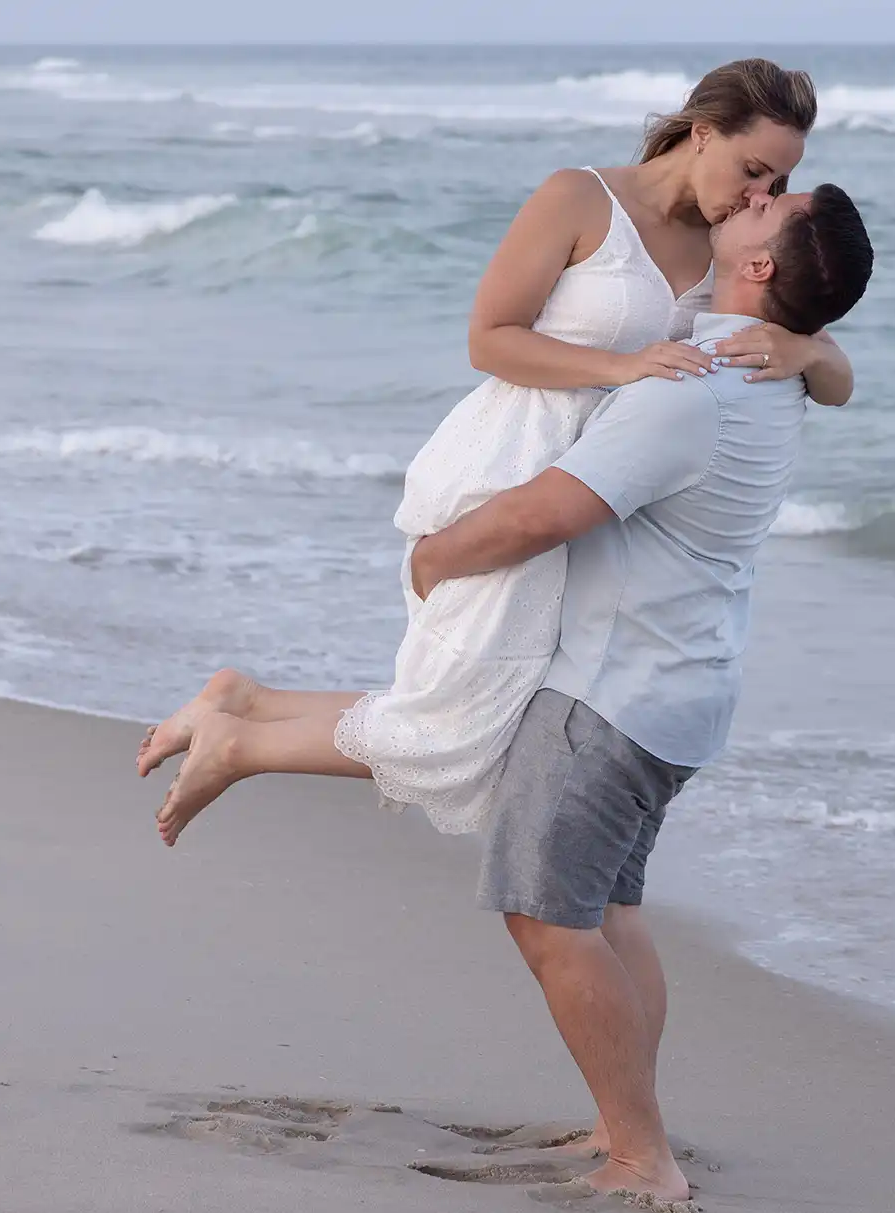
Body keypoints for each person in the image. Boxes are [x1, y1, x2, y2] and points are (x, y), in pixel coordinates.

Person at [137, 59, 848, 838]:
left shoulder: (729, 245)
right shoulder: (580, 197)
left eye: (776, 186)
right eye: (753, 171)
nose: (760, 197)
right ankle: (238, 742)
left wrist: (812, 356)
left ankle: (245, 706)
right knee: (456, 728)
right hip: (509, 471)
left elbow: (826, 364)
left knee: (482, 713)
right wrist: (618, 366)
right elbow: (489, 339)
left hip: (593, 501)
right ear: (703, 132)